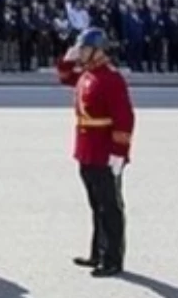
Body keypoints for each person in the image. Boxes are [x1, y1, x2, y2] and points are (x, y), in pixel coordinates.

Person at [56, 27, 135, 278]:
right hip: (87, 150)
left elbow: (125, 119)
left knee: (109, 207)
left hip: (104, 152)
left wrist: (119, 153)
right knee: (96, 205)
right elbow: (65, 76)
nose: (82, 53)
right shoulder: (88, 74)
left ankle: (112, 258)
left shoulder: (111, 78)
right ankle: (97, 253)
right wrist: (69, 56)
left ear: (99, 51)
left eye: (85, 49)